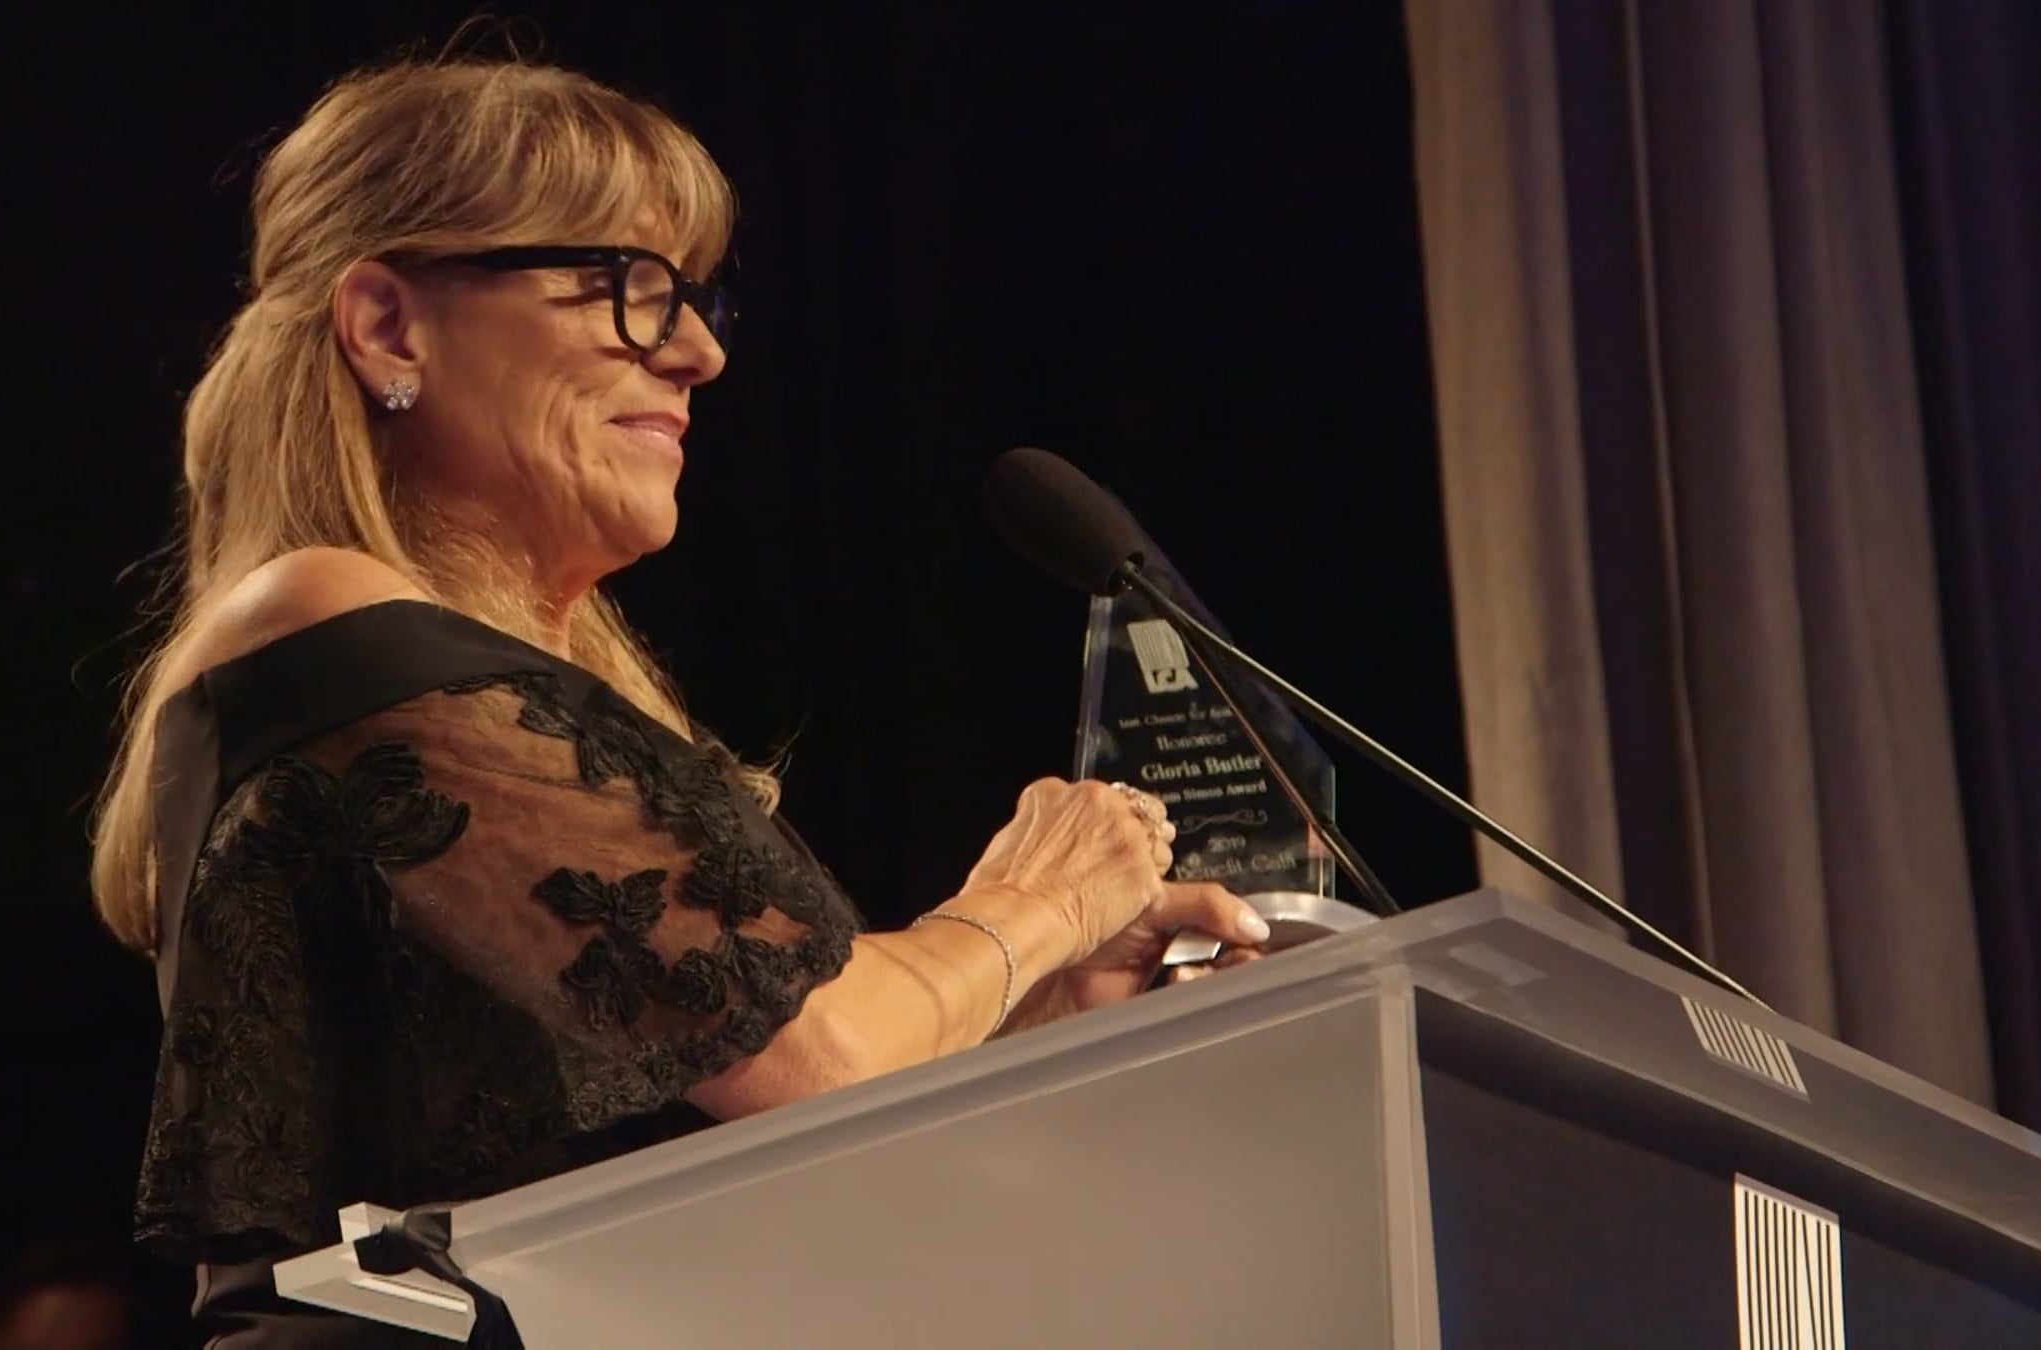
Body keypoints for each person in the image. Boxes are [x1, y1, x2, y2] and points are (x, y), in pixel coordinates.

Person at [90, 54, 1273, 1346]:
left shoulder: (512, 698)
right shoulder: (318, 615)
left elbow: (728, 1121)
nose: (699, 353)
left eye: (693, 303)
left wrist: (1025, 1004)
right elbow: (817, 1050)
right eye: (629, 292)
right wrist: (1035, 902)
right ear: (389, 327)